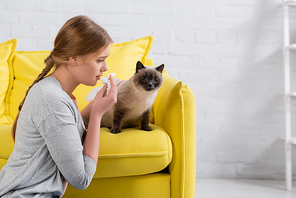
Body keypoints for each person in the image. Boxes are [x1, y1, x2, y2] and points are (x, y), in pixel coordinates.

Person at [0, 15, 117, 198]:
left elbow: (68, 131)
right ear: (74, 58)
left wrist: (97, 105)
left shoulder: (56, 93)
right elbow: (82, 179)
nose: (105, 68)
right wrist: (97, 115)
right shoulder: (52, 99)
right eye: (100, 60)